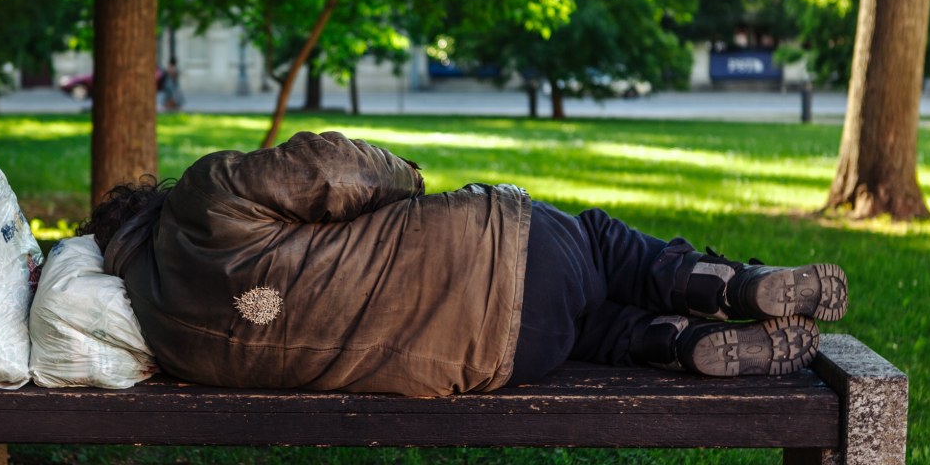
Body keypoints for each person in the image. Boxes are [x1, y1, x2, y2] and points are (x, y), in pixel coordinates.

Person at [79, 131, 847, 397]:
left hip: (497, 356)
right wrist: (409, 180)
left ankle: (675, 344)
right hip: (500, 247)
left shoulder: (169, 341)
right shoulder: (202, 199)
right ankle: (732, 285)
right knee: (604, 245)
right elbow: (331, 168)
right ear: (150, 203)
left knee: (587, 328)